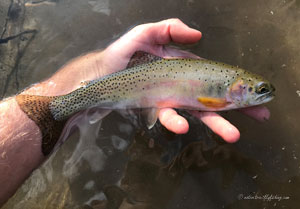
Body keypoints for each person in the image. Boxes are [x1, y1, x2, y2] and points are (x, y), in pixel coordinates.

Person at [0, 19, 270, 206]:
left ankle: (55, 111)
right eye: (258, 90)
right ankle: (56, 110)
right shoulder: (223, 95)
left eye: (260, 90)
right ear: (239, 86)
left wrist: (91, 71)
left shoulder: (227, 86)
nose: (262, 94)